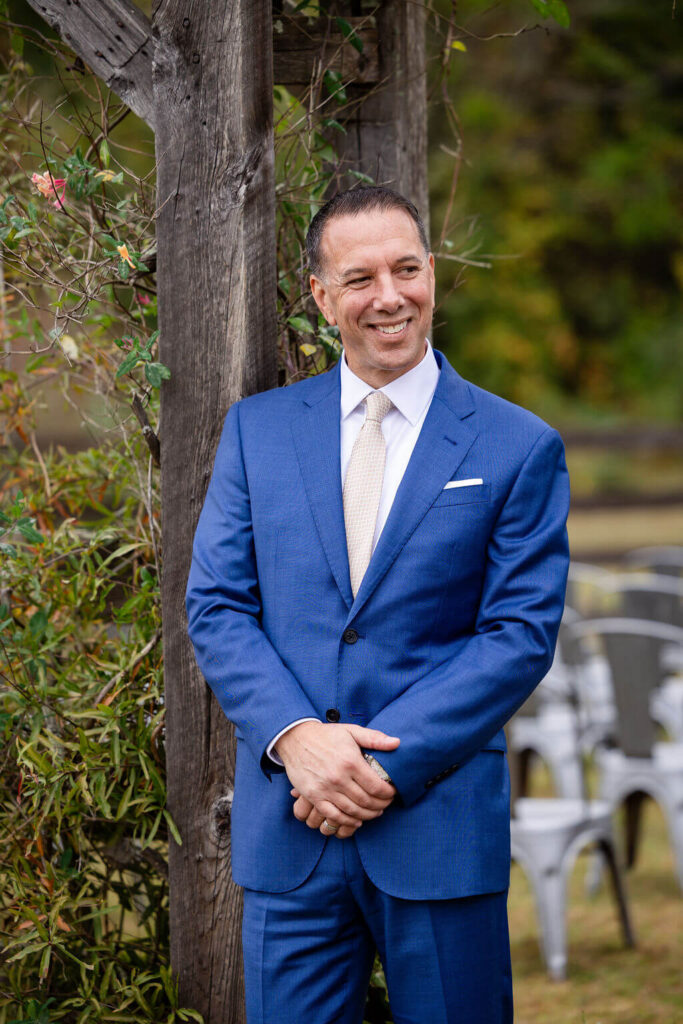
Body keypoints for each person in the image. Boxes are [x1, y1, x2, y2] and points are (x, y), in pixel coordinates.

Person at [185, 185, 570, 1024]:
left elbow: (517, 635)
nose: (388, 297)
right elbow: (216, 604)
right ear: (322, 297)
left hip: (434, 827)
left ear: (432, 272)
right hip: (291, 831)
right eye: (359, 278)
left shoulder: (516, 446)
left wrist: (376, 770)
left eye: (406, 269)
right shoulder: (257, 431)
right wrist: (299, 742)